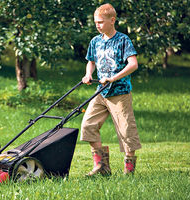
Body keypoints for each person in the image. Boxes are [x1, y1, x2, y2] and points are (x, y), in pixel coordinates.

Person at [81, 3, 142, 176]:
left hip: (120, 93)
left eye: (100, 22)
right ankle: (102, 167)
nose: (97, 25)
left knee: (126, 131)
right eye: (95, 22)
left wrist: (113, 78)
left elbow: (133, 64)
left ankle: (128, 172)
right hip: (101, 92)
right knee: (88, 125)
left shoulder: (123, 40)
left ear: (112, 20)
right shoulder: (95, 41)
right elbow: (91, 61)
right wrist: (88, 74)